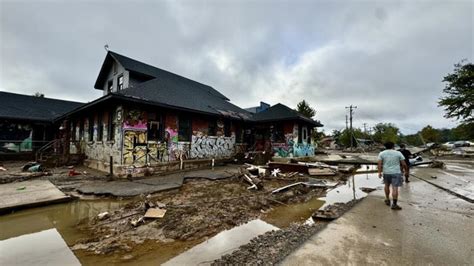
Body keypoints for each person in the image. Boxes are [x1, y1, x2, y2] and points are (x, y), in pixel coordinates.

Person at [378, 141, 408, 210]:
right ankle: (394, 204)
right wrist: (406, 171)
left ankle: (387, 199)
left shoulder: (382, 153)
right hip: (396, 172)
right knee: (395, 188)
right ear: (393, 146)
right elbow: (404, 164)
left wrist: (379, 172)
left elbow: (379, 164)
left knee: (386, 185)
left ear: (385, 146)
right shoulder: (398, 153)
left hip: (386, 172)